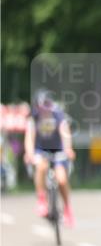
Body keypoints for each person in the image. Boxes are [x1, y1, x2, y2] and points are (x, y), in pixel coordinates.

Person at [23, 90, 76, 226]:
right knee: (41, 166)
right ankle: (42, 199)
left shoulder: (58, 114)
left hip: (58, 150)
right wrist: (29, 153)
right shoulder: (33, 117)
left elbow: (65, 132)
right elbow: (29, 137)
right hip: (41, 150)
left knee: (62, 179)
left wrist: (68, 149)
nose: (44, 110)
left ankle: (67, 209)